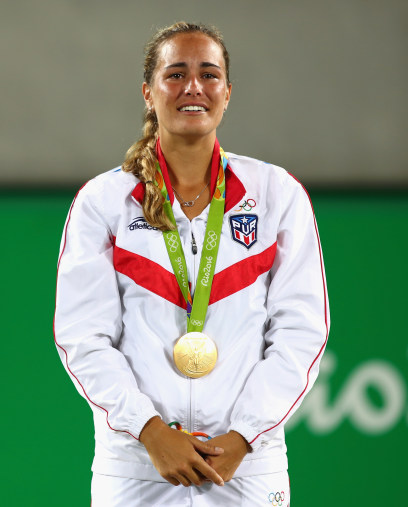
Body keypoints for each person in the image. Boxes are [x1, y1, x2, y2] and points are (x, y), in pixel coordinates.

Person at [54, 22, 328, 506]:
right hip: (137, 468)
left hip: (248, 467)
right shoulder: (105, 201)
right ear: (148, 92)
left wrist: (244, 435)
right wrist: (151, 432)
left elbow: (300, 333)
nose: (193, 87)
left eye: (209, 74)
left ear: (227, 93)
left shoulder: (275, 195)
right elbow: (84, 337)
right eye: (175, 74)